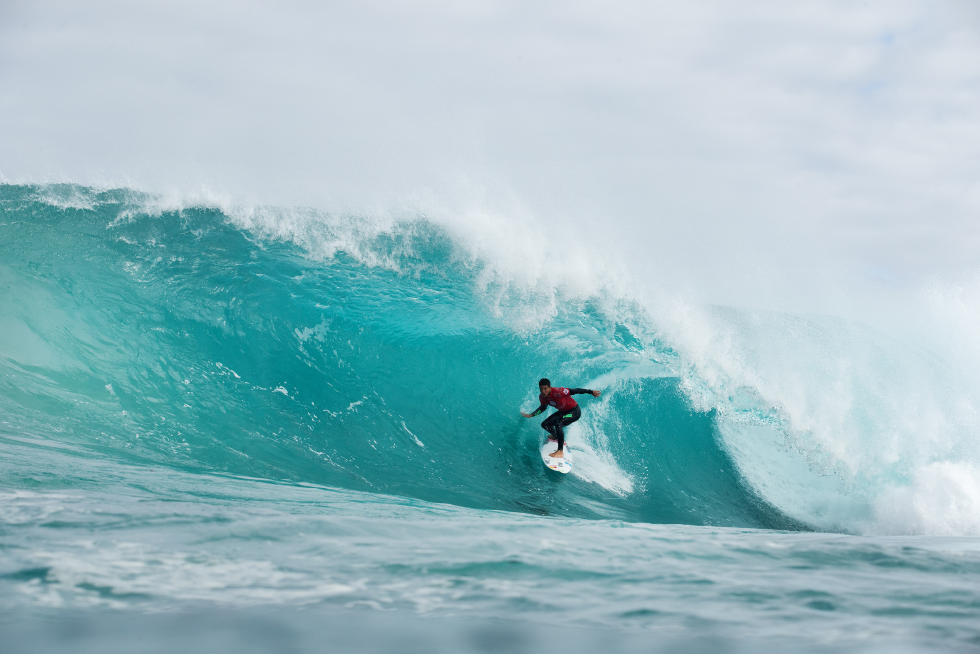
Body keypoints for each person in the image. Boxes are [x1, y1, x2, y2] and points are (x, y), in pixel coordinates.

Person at [521, 378, 601, 458]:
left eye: (545, 389)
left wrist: (591, 392)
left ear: (549, 387)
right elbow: (543, 407)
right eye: (541, 389)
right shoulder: (542, 397)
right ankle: (556, 436)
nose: (543, 391)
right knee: (545, 424)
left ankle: (560, 451)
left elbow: (575, 391)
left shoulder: (559, 391)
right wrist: (532, 415)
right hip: (563, 412)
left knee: (558, 423)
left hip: (574, 412)